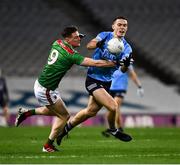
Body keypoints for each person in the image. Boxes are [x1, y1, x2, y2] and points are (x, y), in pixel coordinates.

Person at [15, 25, 122, 152]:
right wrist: (114, 63)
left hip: (42, 84)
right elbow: (95, 63)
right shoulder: (71, 55)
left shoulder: (57, 43)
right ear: (68, 39)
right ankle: (47, 145)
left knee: (54, 111)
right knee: (64, 116)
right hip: (46, 90)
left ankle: (26, 113)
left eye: (79, 36)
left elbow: (71, 46)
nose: (79, 39)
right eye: (76, 37)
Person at [56, 16, 134, 145]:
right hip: (93, 78)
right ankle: (113, 130)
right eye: (119, 24)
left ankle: (64, 130)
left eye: (125, 25)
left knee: (90, 112)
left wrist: (125, 64)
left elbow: (124, 69)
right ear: (113, 26)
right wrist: (100, 43)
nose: (122, 27)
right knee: (113, 106)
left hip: (107, 81)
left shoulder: (127, 48)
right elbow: (89, 45)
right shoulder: (104, 35)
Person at [102, 65, 144, 138]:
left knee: (115, 106)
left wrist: (139, 86)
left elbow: (132, 73)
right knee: (113, 109)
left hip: (120, 88)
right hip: (110, 87)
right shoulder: (111, 59)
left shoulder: (125, 60)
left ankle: (112, 129)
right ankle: (120, 128)